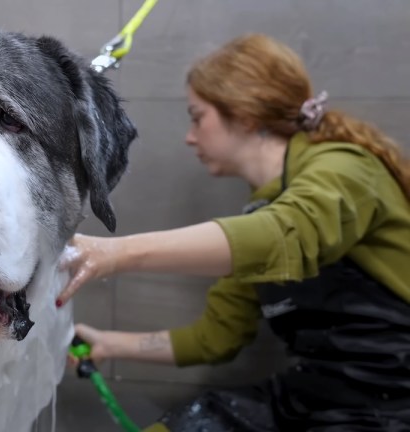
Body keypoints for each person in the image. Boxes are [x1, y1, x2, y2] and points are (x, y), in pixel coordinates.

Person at [59, 33, 410, 432]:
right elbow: (217, 336)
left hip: (393, 404)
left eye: (197, 116)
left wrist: (116, 254)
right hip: (314, 395)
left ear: (244, 113)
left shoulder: (347, 169)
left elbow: (286, 233)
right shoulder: (259, 213)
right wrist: (110, 344)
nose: (190, 136)